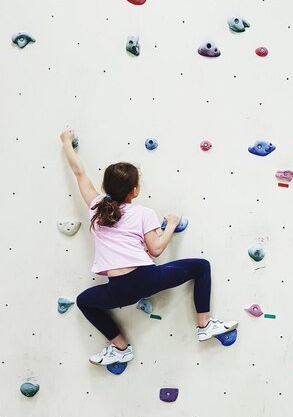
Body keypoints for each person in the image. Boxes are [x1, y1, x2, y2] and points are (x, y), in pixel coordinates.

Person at [60, 128, 238, 366]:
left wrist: (66, 142)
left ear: (105, 187)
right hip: (147, 278)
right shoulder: (143, 213)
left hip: (119, 290)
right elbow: (155, 249)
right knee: (201, 266)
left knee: (84, 301)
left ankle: (121, 348)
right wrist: (171, 224)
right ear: (135, 190)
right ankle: (204, 325)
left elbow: (79, 172)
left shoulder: (97, 207)